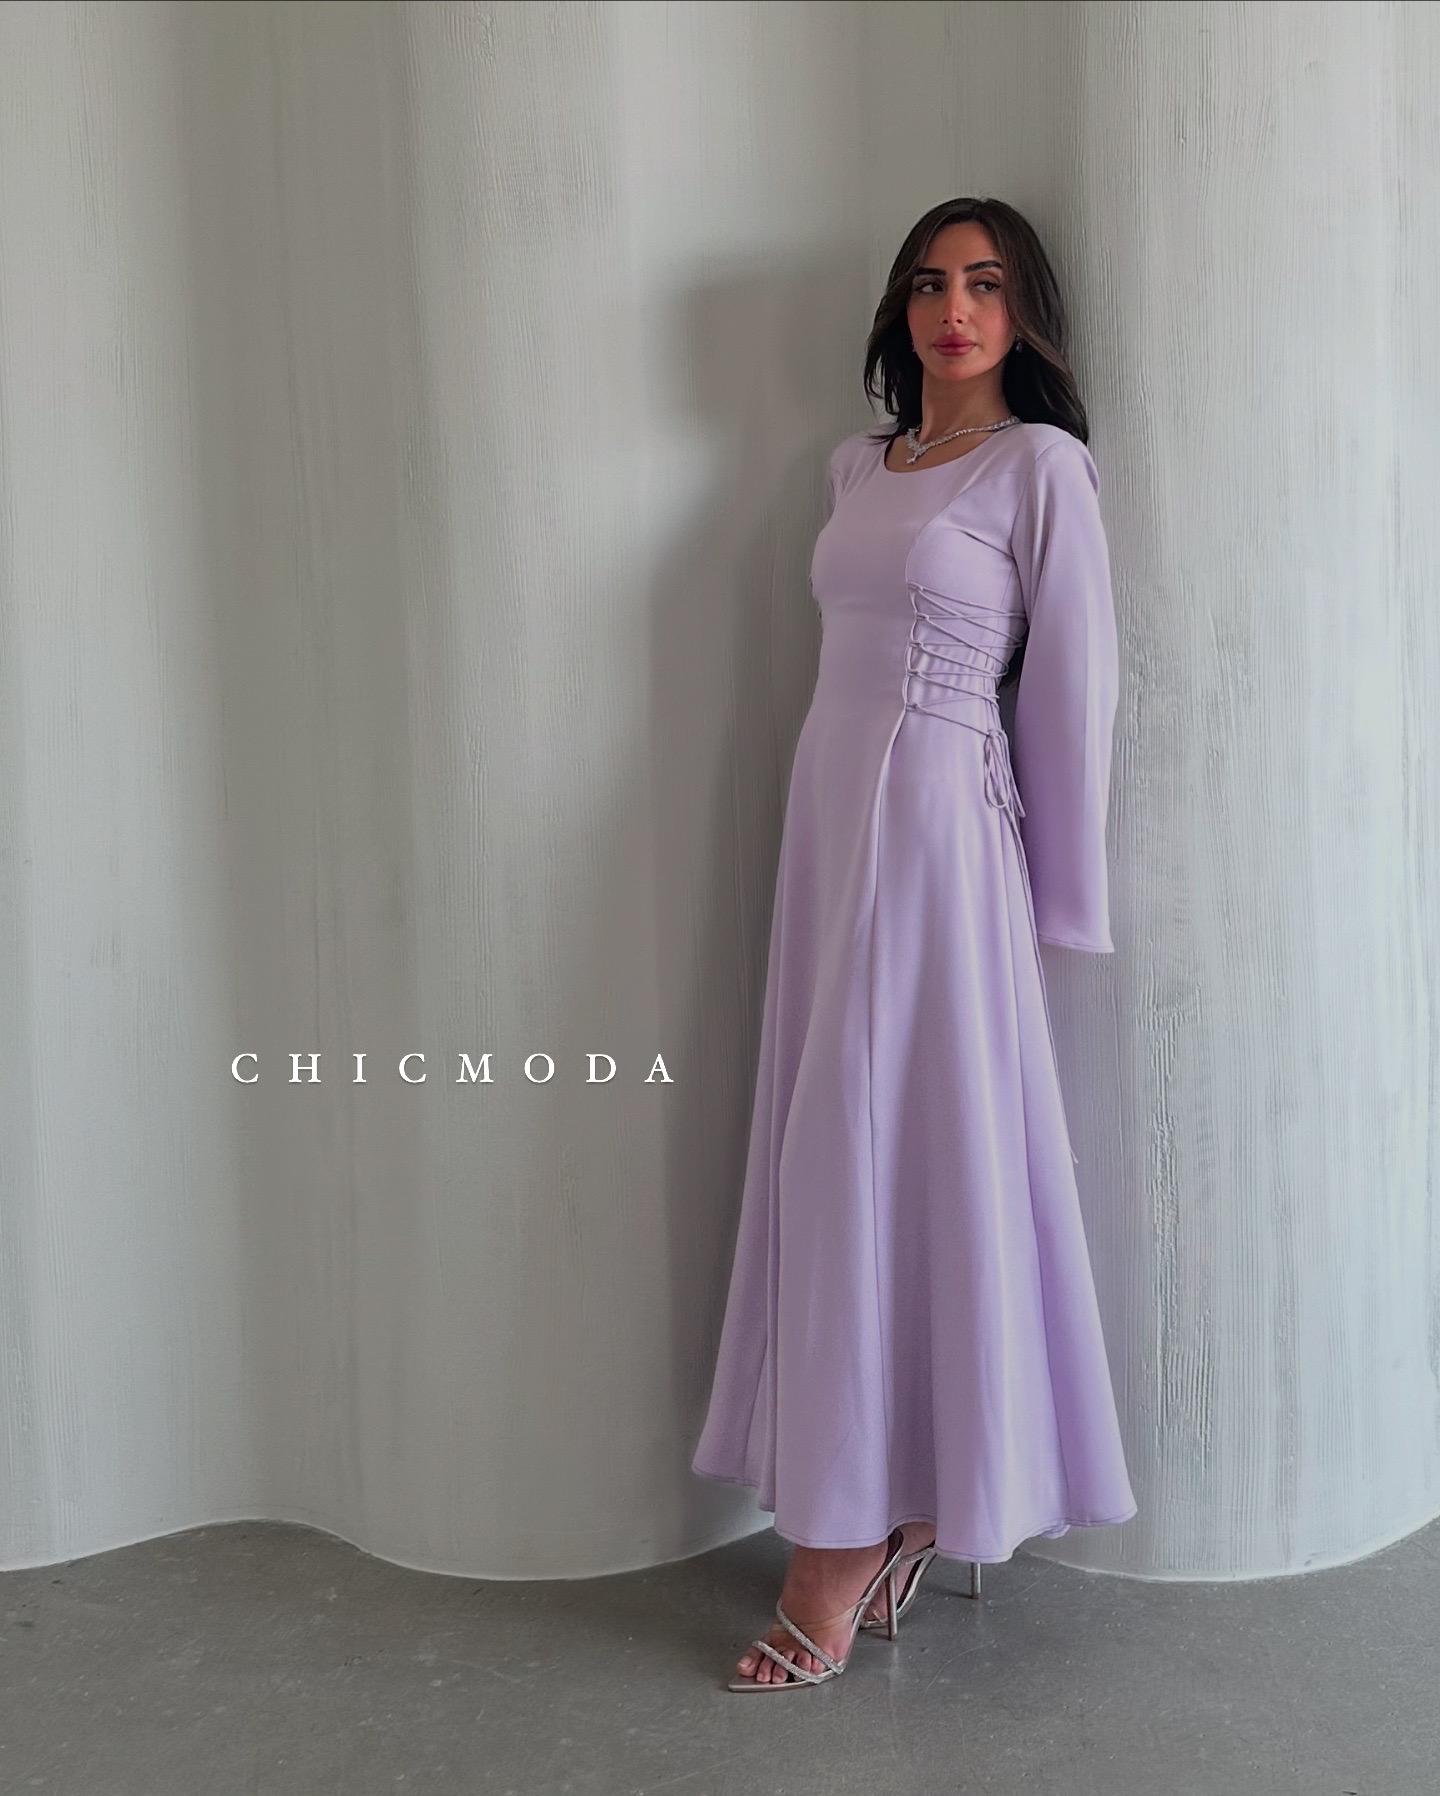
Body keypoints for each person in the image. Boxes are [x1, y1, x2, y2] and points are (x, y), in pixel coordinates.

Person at [689, 197, 1138, 1692]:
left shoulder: (1042, 467)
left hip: (943, 830)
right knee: (839, 1146)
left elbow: (1073, 684)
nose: (957, 309)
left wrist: (1059, 898)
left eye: (988, 284)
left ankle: (839, 1544)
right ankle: (891, 1503)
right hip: (830, 822)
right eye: (933, 284)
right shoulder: (853, 466)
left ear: (1023, 313)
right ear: (900, 309)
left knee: (890, 1147)